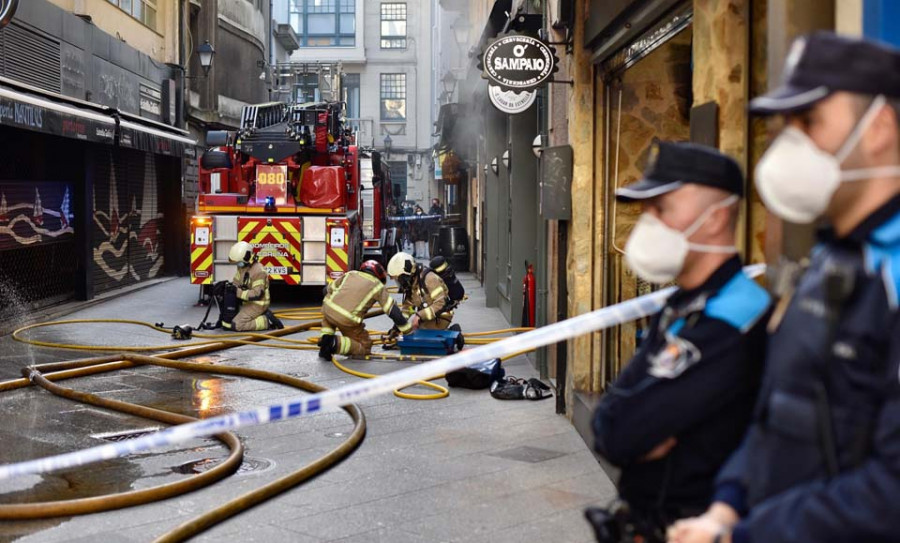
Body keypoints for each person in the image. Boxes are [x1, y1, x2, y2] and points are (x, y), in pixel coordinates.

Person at [669, 32, 900, 543]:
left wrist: (747, 534)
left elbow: (890, 493)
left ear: (880, 126)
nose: (788, 144)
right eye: (786, 126)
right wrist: (725, 509)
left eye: (809, 121)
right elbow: (780, 415)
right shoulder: (831, 258)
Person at [589, 142, 771, 542]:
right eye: (645, 209)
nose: (646, 221)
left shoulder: (738, 315)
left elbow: (623, 433)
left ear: (716, 218)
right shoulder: (680, 303)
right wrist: (626, 417)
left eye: (661, 208)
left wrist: (628, 419)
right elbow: (607, 423)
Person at [318, 260, 413, 360]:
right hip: (347, 319)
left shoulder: (350, 274)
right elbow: (394, 312)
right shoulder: (377, 286)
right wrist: (408, 332)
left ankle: (324, 344)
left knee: (329, 320)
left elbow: (326, 290)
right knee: (364, 347)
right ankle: (333, 344)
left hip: (327, 310)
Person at [224, 241, 283, 332]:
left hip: (257, 304)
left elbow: (257, 294)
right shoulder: (243, 267)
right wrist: (228, 287)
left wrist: (237, 292)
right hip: (246, 302)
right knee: (227, 319)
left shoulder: (259, 271)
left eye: (239, 262)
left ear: (247, 257)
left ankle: (266, 321)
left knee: (237, 325)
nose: (238, 265)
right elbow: (236, 282)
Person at [387, 251, 454, 330]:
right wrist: (398, 326)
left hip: (441, 317)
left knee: (416, 334)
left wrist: (419, 316)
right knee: (409, 330)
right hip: (427, 316)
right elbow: (408, 307)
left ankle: (450, 331)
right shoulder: (413, 282)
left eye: (399, 279)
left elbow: (440, 304)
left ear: (406, 275)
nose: (399, 283)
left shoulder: (430, 279)